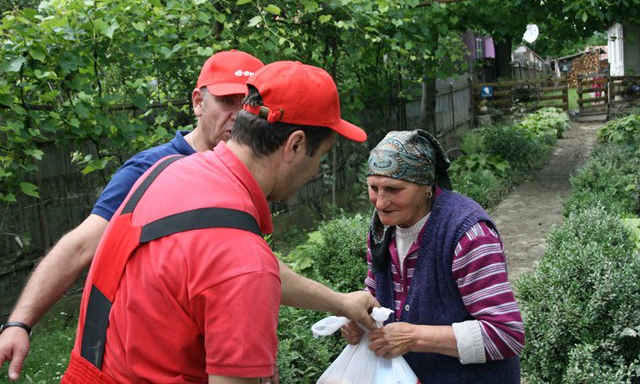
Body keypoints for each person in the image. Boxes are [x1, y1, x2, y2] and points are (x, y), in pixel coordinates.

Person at [0, 51, 377, 381]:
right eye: (321, 156)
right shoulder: (242, 261)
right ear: (295, 145)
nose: (315, 172)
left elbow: (220, 269)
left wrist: (340, 302)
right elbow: (240, 270)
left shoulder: (163, 172)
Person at [341, 129, 525, 383]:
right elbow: (378, 295)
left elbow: (506, 334)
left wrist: (415, 337)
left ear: (427, 186)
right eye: (374, 188)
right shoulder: (382, 229)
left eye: (394, 189)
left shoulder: (469, 235)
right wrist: (361, 322)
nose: (380, 203)